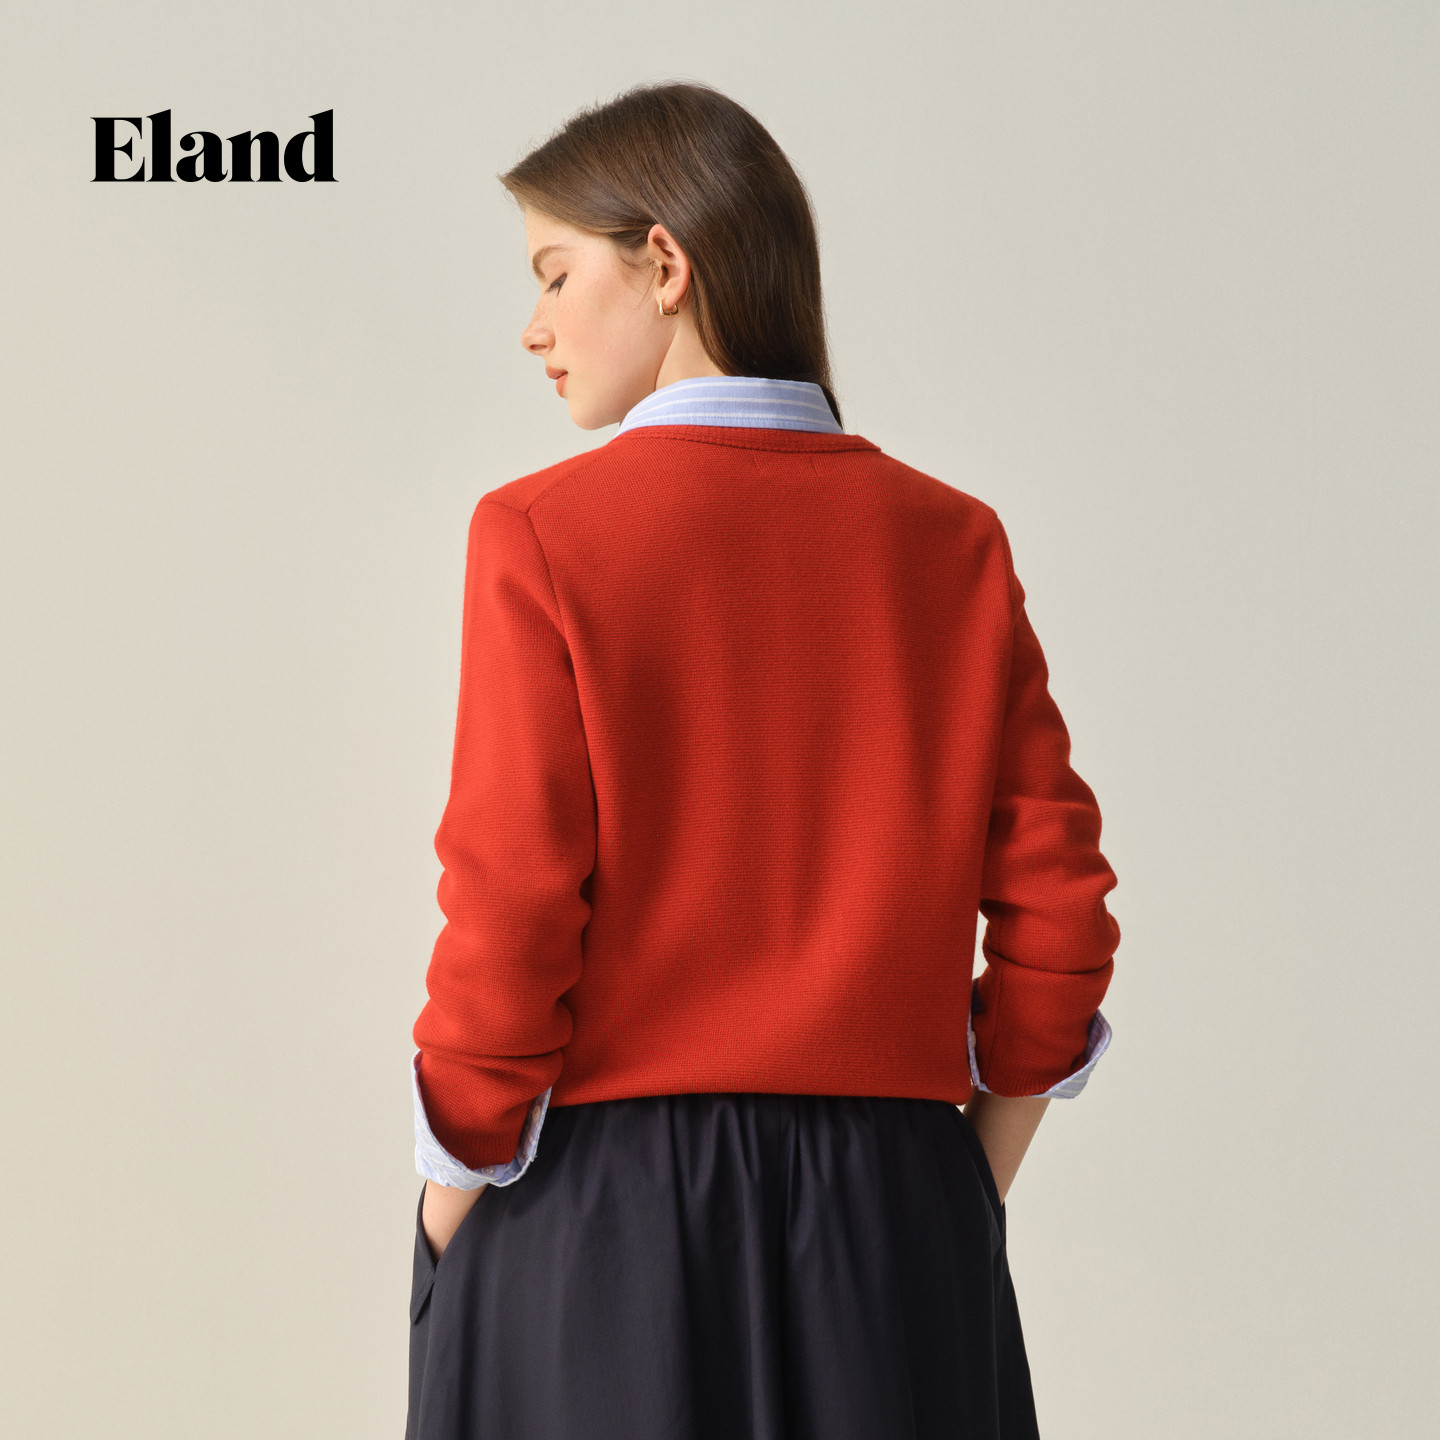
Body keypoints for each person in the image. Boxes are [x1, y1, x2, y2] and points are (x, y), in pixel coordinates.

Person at [404, 81, 1120, 1440]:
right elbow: (1062, 917)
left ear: (664, 263)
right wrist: (957, 1185)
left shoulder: (541, 536)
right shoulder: (953, 543)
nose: (534, 327)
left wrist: (450, 1202)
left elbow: (511, 914)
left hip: (601, 1220)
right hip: (897, 1207)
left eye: (555, 274)